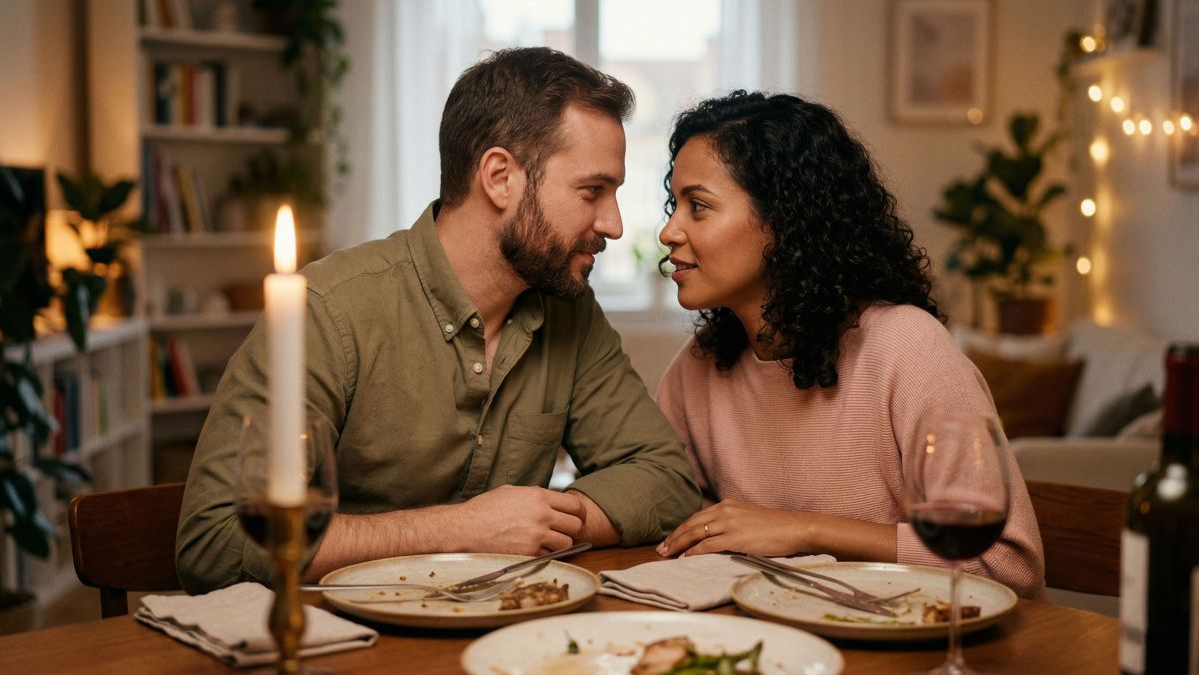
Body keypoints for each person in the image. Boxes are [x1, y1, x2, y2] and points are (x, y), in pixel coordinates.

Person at [176, 48, 700, 594]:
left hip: (509, 627)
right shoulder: (327, 311)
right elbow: (216, 542)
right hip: (340, 633)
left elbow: (666, 480)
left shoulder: (568, 308)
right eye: (592, 191)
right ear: (499, 177)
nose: (614, 224)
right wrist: (458, 531)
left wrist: (536, 524)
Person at [652, 91, 1044, 598]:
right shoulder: (698, 366)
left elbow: (1008, 564)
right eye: (675, 206)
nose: (668, 231)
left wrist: (804, 531)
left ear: (784, 219)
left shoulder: (907, 348)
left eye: (699, 207)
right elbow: (677, 522)